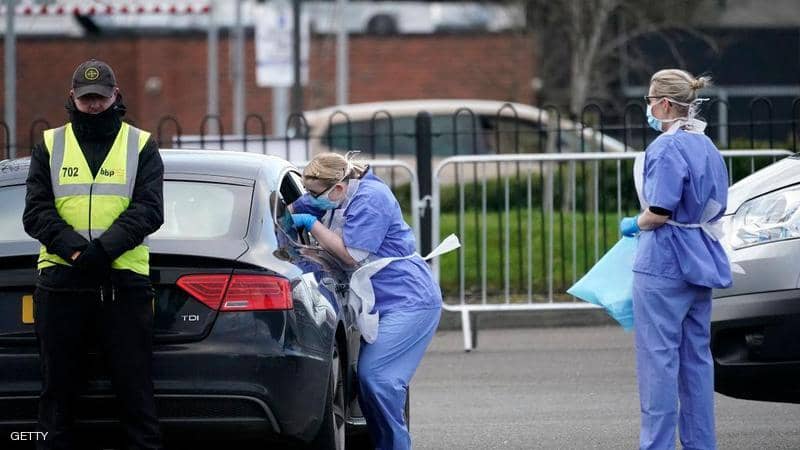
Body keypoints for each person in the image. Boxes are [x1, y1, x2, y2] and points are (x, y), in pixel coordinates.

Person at [23, 59, 164, 450]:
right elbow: (36, 211)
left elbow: (149, 209)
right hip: (61, 284)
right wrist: (73, 250)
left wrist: (102, 250)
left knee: (136, 395)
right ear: (72, 97)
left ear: (116, 95)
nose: (94, 105)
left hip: (122, 285)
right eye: (86, 99)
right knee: (57, 396)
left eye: (100, 97)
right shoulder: (50, 145)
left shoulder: (141, 145)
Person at [291, 152, 443, 450]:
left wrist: (311, 223)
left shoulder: (372, 199)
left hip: (409, 300)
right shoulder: (334, 192)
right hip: (381, 300)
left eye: (314, 192)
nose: (311, 197)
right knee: (373, 383)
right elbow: (296, 205)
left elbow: (352, 255)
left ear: (338, 187)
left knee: (378, 379)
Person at [620, 69, 732, 450]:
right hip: (701, 259)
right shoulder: (706, 145)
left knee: (658, 364)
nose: (649, 107)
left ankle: (658, 445)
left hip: (663, 263)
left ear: (665, 104)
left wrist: (633, 223)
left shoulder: (665, 149)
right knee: (697, 362)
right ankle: (702, 444)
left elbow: (658, 212)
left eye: (650, 101)